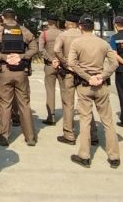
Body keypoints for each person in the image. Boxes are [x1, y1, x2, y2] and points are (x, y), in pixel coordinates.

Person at [67, 15, 121, 169]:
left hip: (85, 85)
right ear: (93, 27)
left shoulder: (76, 43)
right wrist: (102, 76)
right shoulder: (103, 43)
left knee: (85, 120)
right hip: (101, 85)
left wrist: (87, 77)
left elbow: (72, 63)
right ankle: (114, 156)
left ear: (80, 27)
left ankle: (84, 155)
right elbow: (114, 63)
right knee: (108, 121)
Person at [0, 9, 38, 147]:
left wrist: (4, 57)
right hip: (21, 71)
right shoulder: (24, 31)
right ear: (15, 17)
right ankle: (30, 137)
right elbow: (34, 48)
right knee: (24, 104)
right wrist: (22, 56)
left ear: (2, 17)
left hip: (4, 71)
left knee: (5, 104)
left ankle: (4, 136)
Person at [52, 14, 93, 146]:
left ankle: (69, 134)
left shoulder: (63, 35)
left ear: (66, 23)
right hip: (83, 73)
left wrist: (65, 62)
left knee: (68, 104)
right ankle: (93, 134)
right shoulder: (84, 35)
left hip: (68, 73)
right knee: (86, 103)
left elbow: (56, 50)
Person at [40, 17, 61, 126]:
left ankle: (51, 116)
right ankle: (68, 119)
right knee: (65, 92)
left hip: (49, 65)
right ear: (56, 22)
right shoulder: (62, 34)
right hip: (62, 66)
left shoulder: (44, 34)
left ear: (48, 23)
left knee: (50, 91)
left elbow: (41, 49)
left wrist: (51, 59)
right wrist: (59, 60)